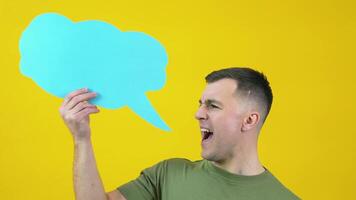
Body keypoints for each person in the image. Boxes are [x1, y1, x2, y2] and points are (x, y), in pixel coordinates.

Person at [60, 67, 300, 200]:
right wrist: (82, 138)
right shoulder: (168, 174)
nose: (198, 114)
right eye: (201, 104)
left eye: (213, 106)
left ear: (249, 120)